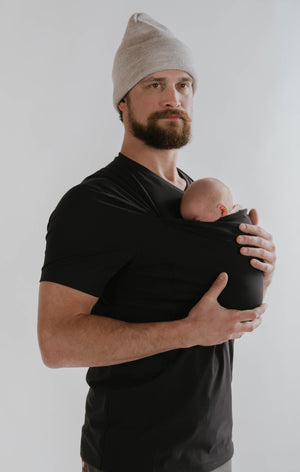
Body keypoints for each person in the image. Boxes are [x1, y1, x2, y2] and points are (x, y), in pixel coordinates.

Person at [38, 13, 276, 472]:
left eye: (184, 83)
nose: (173, 97)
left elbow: (223, 313)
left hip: (213, 454)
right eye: (154, 83)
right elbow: (56, 342)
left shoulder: (200, 197)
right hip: (132, 458)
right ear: (122, 102)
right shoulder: (94, 203)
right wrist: (189, 331)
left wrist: (263, 271)